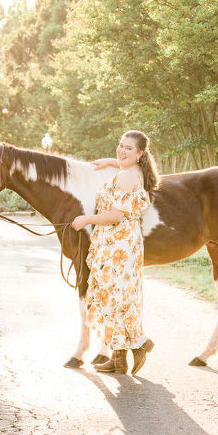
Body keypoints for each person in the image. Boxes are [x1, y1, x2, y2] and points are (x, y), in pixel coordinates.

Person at [71, 130, 160, 375]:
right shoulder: (137, 171)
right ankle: (120, 359)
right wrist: (111, 162)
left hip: (117, 243)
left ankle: (139, 344)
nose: (121, 151)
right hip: (126, 241)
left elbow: (115, 215)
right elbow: (126, 169)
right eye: (120, 145)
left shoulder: (125, 177)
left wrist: (86, 219)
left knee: (114, 297)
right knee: (120, 297)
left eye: (128, 148)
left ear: (140, 153)